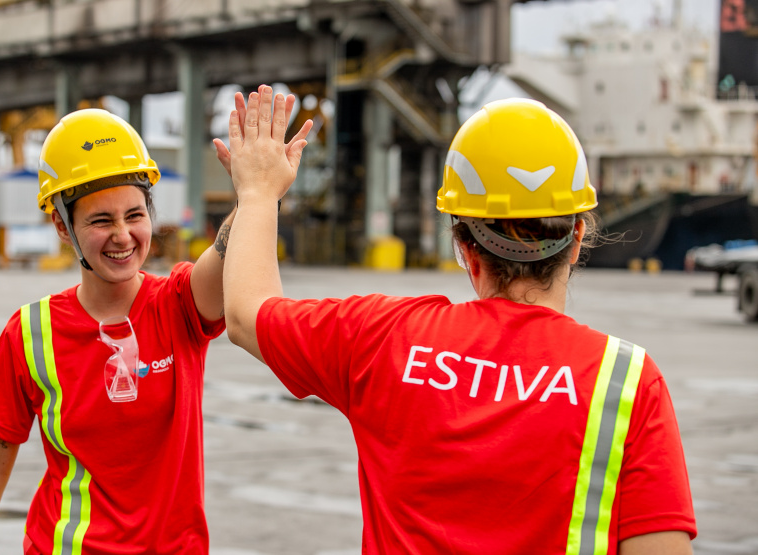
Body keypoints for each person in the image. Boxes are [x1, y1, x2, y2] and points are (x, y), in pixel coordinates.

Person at [216, 86, 697, 553]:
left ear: (465, 248)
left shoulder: (384, 337)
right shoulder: (629, 382)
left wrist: (259, 191)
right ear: (576, 237)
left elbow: (245, 313)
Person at [0, 108, 232, 554]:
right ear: (63, 227)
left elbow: (225, 258)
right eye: (101, 221)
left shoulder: (179, 304)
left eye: (135, 215)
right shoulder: (30, 332)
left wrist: (257, 196)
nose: (123, 235)